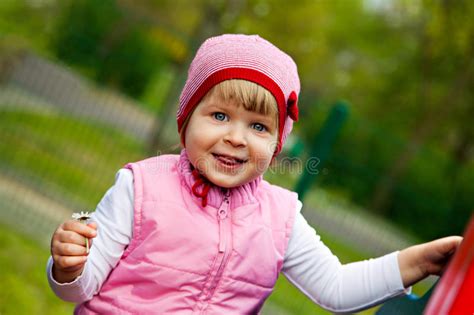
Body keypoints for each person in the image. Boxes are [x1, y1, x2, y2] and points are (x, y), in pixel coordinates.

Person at [47, 34, 462, 314]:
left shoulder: (279, 218)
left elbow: (336, 287)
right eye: (220, 115)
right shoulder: (140, 188)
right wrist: (68, 267)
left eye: (259, 127)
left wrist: (419, 261)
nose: (236, 137)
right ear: (187, 118)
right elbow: (78, 290)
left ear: (278, 142)